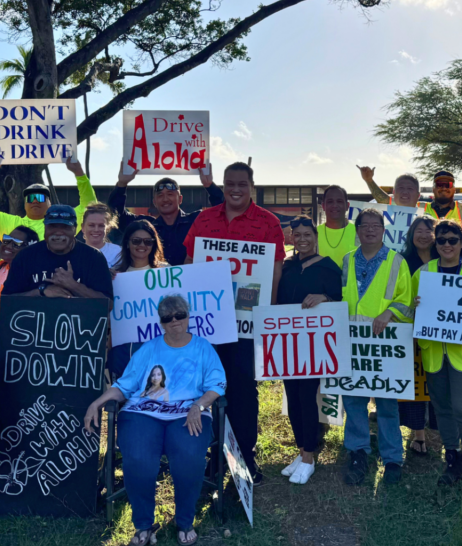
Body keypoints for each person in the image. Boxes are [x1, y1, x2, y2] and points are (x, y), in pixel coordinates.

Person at [85, 294, 226, 546]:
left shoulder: (203, 347)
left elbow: (217, 385)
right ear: (161, 322)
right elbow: (125, 385)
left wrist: (199, 404)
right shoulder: (149, 349)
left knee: (188, 456)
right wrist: (97, 402)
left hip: (189, 412)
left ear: (188, 316)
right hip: (143, 412)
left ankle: (184, 521)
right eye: (167, 318)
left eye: (180, 316)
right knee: (138, 457)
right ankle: (143, 524)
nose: (175, 322)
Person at [183, 162, 286, 482]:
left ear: (252, 186)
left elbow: (275, 269)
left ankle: (244, 457)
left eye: (242, 184)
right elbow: (189, 262)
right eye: (230, 184)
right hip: (208, 324)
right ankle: (212, 456)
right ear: (223, 186)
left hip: (246, 323)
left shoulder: (268, 222)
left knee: (243, 389)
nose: (236, 189)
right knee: (207, 387)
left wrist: (264, 313)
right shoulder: (204, 218)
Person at [412, 220, 462, 486]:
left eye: (452, 240)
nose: (447, 245)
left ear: (461, 243)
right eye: (442, 240)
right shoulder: (423, 272)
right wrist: (416, 306)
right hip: (434, 353)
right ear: (436, 243)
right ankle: (452, 457)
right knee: (442, 408)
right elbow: (411, 312)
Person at [340, 208, 413, 486]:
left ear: (384, 231)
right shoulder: (348, 260)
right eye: (365, 225)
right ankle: (358, 453)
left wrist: (390, 312)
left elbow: (406, 299)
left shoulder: (397, 261)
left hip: (385, 342)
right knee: (354, 401)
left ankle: (392, 458)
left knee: (386, 402)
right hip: (354, 341)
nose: (370, 230)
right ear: (357, 231)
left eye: (376, 225)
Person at [277, 217, 343, 485]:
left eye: (307, 234)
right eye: (297, 234)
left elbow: (341, 300)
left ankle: (309, 457)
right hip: (285, 341)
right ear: (291, 237)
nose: (302, 239)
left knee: (306, 396)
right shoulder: (287, 266)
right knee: (292, 396)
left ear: (316, 237)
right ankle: (302, 450)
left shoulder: (328, 267)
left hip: (313, 344)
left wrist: (324, 298)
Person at [2, 204, 114, 305]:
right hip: (34, 326)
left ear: (75, 229)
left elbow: (108, 304)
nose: (58, 232)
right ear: (45, 228)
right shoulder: (25, 256)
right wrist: (41, 291)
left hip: (78, 326)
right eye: (53, 226)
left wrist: (73, 285)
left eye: (65, 227)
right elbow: (6, 299)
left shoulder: (93, 257)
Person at [109, 170, 225, 266]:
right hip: (157, 288)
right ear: (154, 202)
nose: (165, 199)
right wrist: (121, 184)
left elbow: (224, 212)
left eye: (170, 194)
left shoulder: (197, 220)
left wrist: (210, 186)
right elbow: (115, 215)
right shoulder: (147, 226)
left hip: (192, 286)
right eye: (160, 195)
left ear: (180, 199)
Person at [357, 167, 462, 245]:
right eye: (439, 185)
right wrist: (369, 180)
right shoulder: (419, 208)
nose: (444, 188)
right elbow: (386, 201)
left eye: (448, 185)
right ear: (433, 189)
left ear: (454, 189)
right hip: (431, 267)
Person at [0, 156, 96, 240]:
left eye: (40, 197)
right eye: (30, 198)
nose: (35, 200)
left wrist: (79, 173)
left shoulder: (63, 221)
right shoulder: (11, 223)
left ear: (49, 203)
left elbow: (90, 207)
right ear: (24, 204)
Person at [108, 220, 169, 379]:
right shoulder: (116, 275)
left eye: (148, 241)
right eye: (136, 240)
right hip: (126, 352)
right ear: (127, 243)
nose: (142, 245)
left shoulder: (166, 272)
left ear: (153, 244)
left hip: (161, 350)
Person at [399, 215, 438, 454]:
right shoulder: (402, 261)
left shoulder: (446, 258)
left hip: (442, 331)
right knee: (416, 381)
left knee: (437, 380)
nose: (423, 236)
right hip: (410, 328)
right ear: (411, 235)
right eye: (418, 231)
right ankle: (418, 433)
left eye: (429, 231)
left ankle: (441, 429)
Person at [0, 226, 39, 329]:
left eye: (17, 244)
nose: (9, 246)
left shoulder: (35, 274)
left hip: (18, 333)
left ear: (29, 248)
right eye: (7, 240)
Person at [317, 185, 356, 267]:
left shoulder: (359, 233)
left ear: (347, 206)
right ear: (323, 206)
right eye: (330, 201)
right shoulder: (314, 233)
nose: (335, 205)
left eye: (339, 201)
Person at [82, 202, 122, 267]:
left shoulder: (118, 253)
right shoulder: (74, 253)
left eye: (101, 226)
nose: (96, 229)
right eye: (91, 225)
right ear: (83, 227)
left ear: (108, 228)